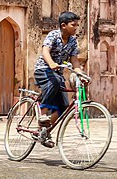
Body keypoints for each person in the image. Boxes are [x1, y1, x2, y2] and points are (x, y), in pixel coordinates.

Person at [34, 11, 83, 146]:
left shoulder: (73, 41)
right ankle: (42, 115)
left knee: (64, 107)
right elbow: (45, 51)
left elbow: (74, 60)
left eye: (77, 25)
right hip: (43, 70)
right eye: (73, 25)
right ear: (63, 25)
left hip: (57, 74)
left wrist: (81, 74)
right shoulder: (53, 35)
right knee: (54, 83)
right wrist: (51, 64)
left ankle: (44, 132)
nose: (76, 27)